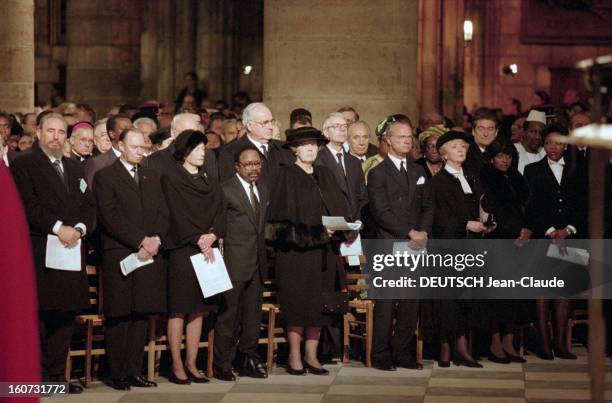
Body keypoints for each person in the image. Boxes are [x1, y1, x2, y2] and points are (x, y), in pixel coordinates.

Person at [10, 113, 95, 394]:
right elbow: (28, 205)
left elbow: (88, 206)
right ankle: (36, 378)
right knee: (42, 315)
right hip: (41, 248)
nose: (55, 137)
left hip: (72, 250)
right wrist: (59, 228)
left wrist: (80, 229)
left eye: (61, 132)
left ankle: (56, 377)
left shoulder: (74, 167)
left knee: (65, 314)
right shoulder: (24, 164)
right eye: (50, 131)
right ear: (38, 133)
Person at [265, 127, 351, 376]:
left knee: (319, 303)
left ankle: (312, 355)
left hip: (324, 253)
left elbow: (339, 208)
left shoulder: (325, 174)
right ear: (294, 149)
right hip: (295, 255)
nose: (311, 148)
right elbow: (278, 224)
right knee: (297, 303)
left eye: (314, 144)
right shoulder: (285, 175)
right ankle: (294, 355)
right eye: (305, 145)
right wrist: (320, 234)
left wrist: (343, 227)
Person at [93, 129, 169, 390]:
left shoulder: (152, 175)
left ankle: (134, 371)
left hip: (149, 253)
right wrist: (140, 240)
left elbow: (162, 210)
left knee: (141, 313)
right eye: (135, 147)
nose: (140, 152)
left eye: (143, 148)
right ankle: (117, 373)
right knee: (121, 314)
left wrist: (156, 238)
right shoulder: (106, 176)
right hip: (121, 252)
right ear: (121, 146)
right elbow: (109, 216)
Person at [159, 130, 226, 384]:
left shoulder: (210, 179)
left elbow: (221, 210)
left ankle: (192, 362)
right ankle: (176, 364)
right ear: (184, 151)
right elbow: (173, 213)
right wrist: (196, 238)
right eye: (197, 148)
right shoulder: (171, 178)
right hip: (182, 250)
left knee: (199, 310)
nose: (202, 153)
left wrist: (213, 235)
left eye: (204, 149)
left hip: (207, 248)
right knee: (178, 310)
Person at [367, 120, 433, 371]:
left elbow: (428, 206)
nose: (408, 140)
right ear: (388, 140)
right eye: (402, 136)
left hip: (416, 245)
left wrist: (423, 231)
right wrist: (409, 232)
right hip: (389, 244)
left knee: (410, 300)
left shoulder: (419, 172)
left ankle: (403, 352)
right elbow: (380, 211)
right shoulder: (377, 173)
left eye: (410, 136)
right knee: (386, 301)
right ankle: (381, 354)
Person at [428, 130, 492, 368]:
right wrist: (466, 224)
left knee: (466, 297)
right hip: (448, 247)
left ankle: (463, 348)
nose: (461, 150)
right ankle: (445, 349)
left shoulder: (472, 178)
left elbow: (480, 206)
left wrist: (485, 222)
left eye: (463, 147)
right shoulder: (437, 182)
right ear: (444, 154)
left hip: (470, 246)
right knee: (449, 299)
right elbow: (438, 218)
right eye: (455, 147)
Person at [523, 124, 582, 360]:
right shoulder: (532, 170)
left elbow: (583, 205)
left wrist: (568, 230)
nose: (553, 147)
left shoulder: (579, 169)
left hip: (571, 236)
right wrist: (549, 231)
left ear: (566, 145)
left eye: (558, 143)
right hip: (542, 236)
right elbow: (531, 206)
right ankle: (544, 342)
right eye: (548, 143)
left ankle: (560, 342)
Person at [213, 146, 269, 381]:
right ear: (237, 166)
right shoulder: (225, 190)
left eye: (257, 164)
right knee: (229, 316)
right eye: (248, 164)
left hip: (257, 262)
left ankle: (248, 358)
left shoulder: (263, 189)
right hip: (233, 263)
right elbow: (216, 226)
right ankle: (222, 363)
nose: (253, 168)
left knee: (253, 316)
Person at [480, 139, 530, 363]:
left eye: (508, 155)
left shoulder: (518, 178)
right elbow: (492, 209)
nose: (505, 159)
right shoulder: (486, 177)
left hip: (518, 242)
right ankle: (495, 342)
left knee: (514, 294)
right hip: (497, 241)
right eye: (500, 155)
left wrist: (526, 229)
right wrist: (513, 231)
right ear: (492, 158)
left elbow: (529, 206)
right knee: (496, 295)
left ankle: (510, 341)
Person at [218, 102, 293, 185]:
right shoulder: (230, 153)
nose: (270, 127)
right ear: (249, 126)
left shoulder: (284, 148)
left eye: (271, 121)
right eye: (265, 123)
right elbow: (230, 189)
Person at [317, 112, 368, 222]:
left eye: (345, 126)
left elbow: (362, 195)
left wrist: (358, 219)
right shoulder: (318, 160)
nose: (342, 129)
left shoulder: (354, 161)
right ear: (326, 133)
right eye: (336, 126)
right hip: (331, 226)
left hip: (355, 225)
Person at [147, 112, 218, 180]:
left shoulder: (208, 155)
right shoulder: (156, 160)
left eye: (194, 133)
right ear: (173, 133)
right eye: (184, 133)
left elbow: (213, 186)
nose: (189, 138)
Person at [84, 114, 133, 186]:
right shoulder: (95, 163)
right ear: (95, 140)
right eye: (103, 135)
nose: (108, 138)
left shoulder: (141, 159)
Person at [464, 108, 499, 175]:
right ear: (473, 131)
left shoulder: (500, 152)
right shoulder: (466, 155)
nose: (486, 134)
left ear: (496, 132)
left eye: (490, 129)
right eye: (481, 129)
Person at [514, 110, 546, 174]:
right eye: (533, 131)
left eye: (541, 133)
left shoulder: (546, 153)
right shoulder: (514, 150)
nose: (537, 137)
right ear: (524, 132)